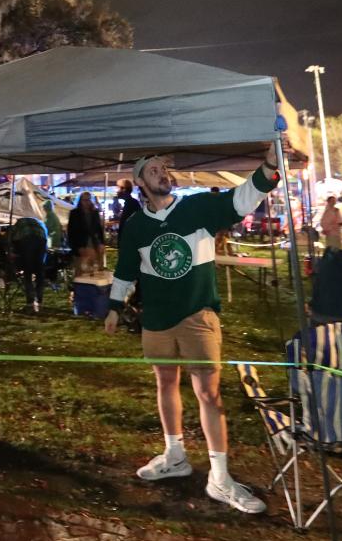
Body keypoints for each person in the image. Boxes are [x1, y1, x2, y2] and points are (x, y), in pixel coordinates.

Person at [104, 143, 281, 515]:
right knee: (165, 383)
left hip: (198, 316)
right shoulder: (135, 225)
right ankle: (175, 454)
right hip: (155, 318)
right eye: (153, 170)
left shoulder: (197, 207)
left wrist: (268, 167)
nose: (162, 174)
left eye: (164, 169)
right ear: (139, 181)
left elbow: (242, 200)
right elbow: (125, 269)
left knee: (208, 394)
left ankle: (219, 477)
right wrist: (114, 307)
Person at [9, 215, 49, 313]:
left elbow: (12, 242)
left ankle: (30, 303)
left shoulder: (17, 226)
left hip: (27, 240)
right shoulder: (37, 223)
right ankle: (39, 302)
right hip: (41, 238)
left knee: (28, 272)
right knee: (39, 272)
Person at [68, 192, 106, 274]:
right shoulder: (74, 213)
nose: (87, 202)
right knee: (81, 271)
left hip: (94, 243)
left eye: (88, 200)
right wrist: (75, 247)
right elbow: (71, 231)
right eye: (84, 200)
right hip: (80, 245)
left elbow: (99, 229)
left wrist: (102, 243)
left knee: (95, 270)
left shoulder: (95, 213)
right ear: (80, 201)